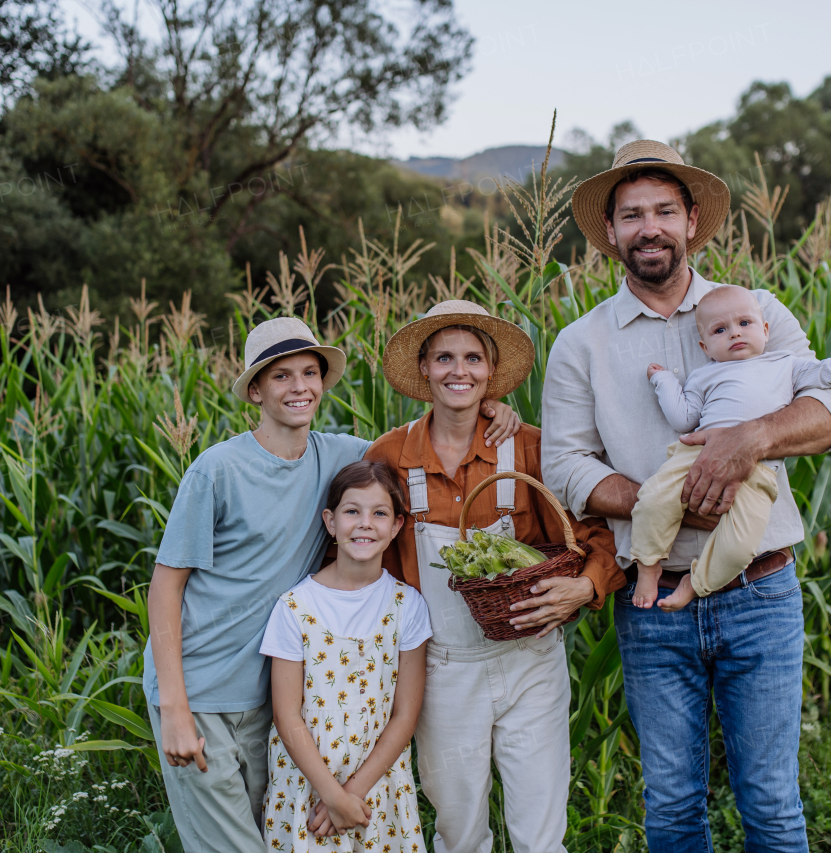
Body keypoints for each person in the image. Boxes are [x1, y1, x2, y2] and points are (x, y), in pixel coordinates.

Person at [543, 139, 831, 852]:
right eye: (631, 215)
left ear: (690, 219)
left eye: (662, 210)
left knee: (772, 803)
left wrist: (749, 440)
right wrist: (672, 501)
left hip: (762, 592)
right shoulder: (581, 343)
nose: (648, 227)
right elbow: (564, 466)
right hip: (651, 604)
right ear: (613, 234)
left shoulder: (755, 311)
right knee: (675, 805)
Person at [143, 316, 520, 853]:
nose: (299, 387)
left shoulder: (340, 454)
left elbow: (422, 443)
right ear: (256, 390)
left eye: (310, 373)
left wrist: (486, 408)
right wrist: (175, 709)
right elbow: (165, 586)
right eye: (281, 377)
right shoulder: (217, 470)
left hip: (264, 696)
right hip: (201, 689)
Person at [364, 300, 619, 853]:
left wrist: (585, 585)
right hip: (441, 670)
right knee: (458, 829)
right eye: (445, 358)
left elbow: (597, 534)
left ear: (491, 371)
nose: (460, 371)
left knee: (540, 832)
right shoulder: (388, 455)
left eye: (474, 359)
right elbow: (368, 560)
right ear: (425, 369)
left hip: (531, 662)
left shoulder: (529, 446)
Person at [632, 284, 831, 610]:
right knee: (653, 499)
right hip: (697, 456)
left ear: (765, 329)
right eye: (721, 330)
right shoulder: (706, 375)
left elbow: (829, 372)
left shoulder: (786, 364)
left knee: (738, 546)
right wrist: (664, 382)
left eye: (744, 323)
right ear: (705, 346)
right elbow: (683, 418)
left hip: (757, 470)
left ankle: (696, 582)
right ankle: (648, 564)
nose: (734, 334)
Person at [259, 460, 431, 852]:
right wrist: (332, 797)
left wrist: (353, 793)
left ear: (397, 527)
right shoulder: (295, 607)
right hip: (307, 786)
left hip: (376, 785)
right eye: (352, 511)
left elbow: (405, 715)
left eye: (380, 513)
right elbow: (286, 714)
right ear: (331, 521)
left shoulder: (408, 606)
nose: (365, 523)